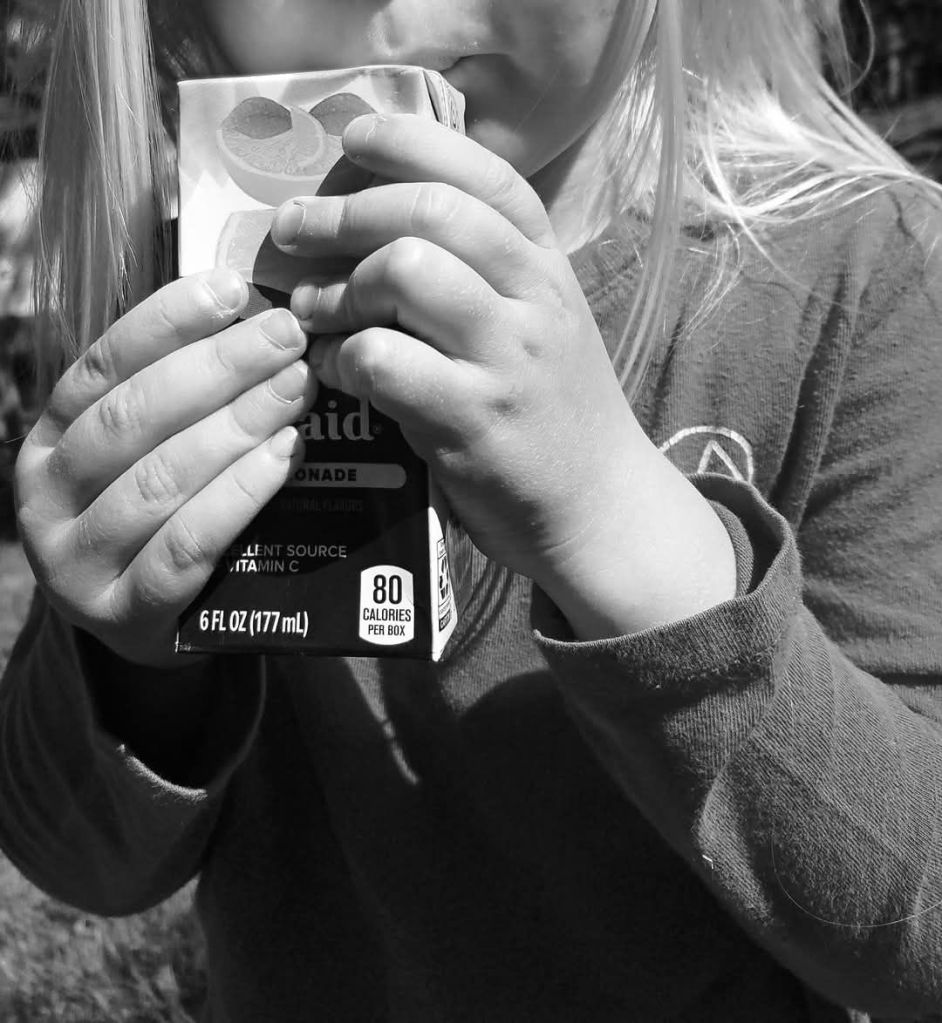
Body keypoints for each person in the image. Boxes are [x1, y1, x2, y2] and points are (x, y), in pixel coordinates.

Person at [2, 0, 942, 1019]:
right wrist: (134, 658)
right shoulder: (189, 292)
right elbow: (78, 861)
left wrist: (610, 513)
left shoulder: (863, 273)